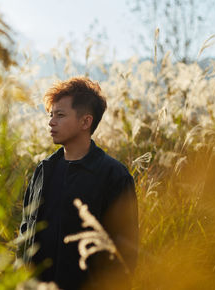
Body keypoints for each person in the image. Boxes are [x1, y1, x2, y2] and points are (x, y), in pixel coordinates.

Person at [19, 77, 138, 290]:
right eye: (51, 115)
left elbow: (125, 252)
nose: (51, 122)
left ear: (85, 122)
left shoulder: (113, 176)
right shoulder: (43, 171)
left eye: (60, 115)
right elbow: (25, 231)